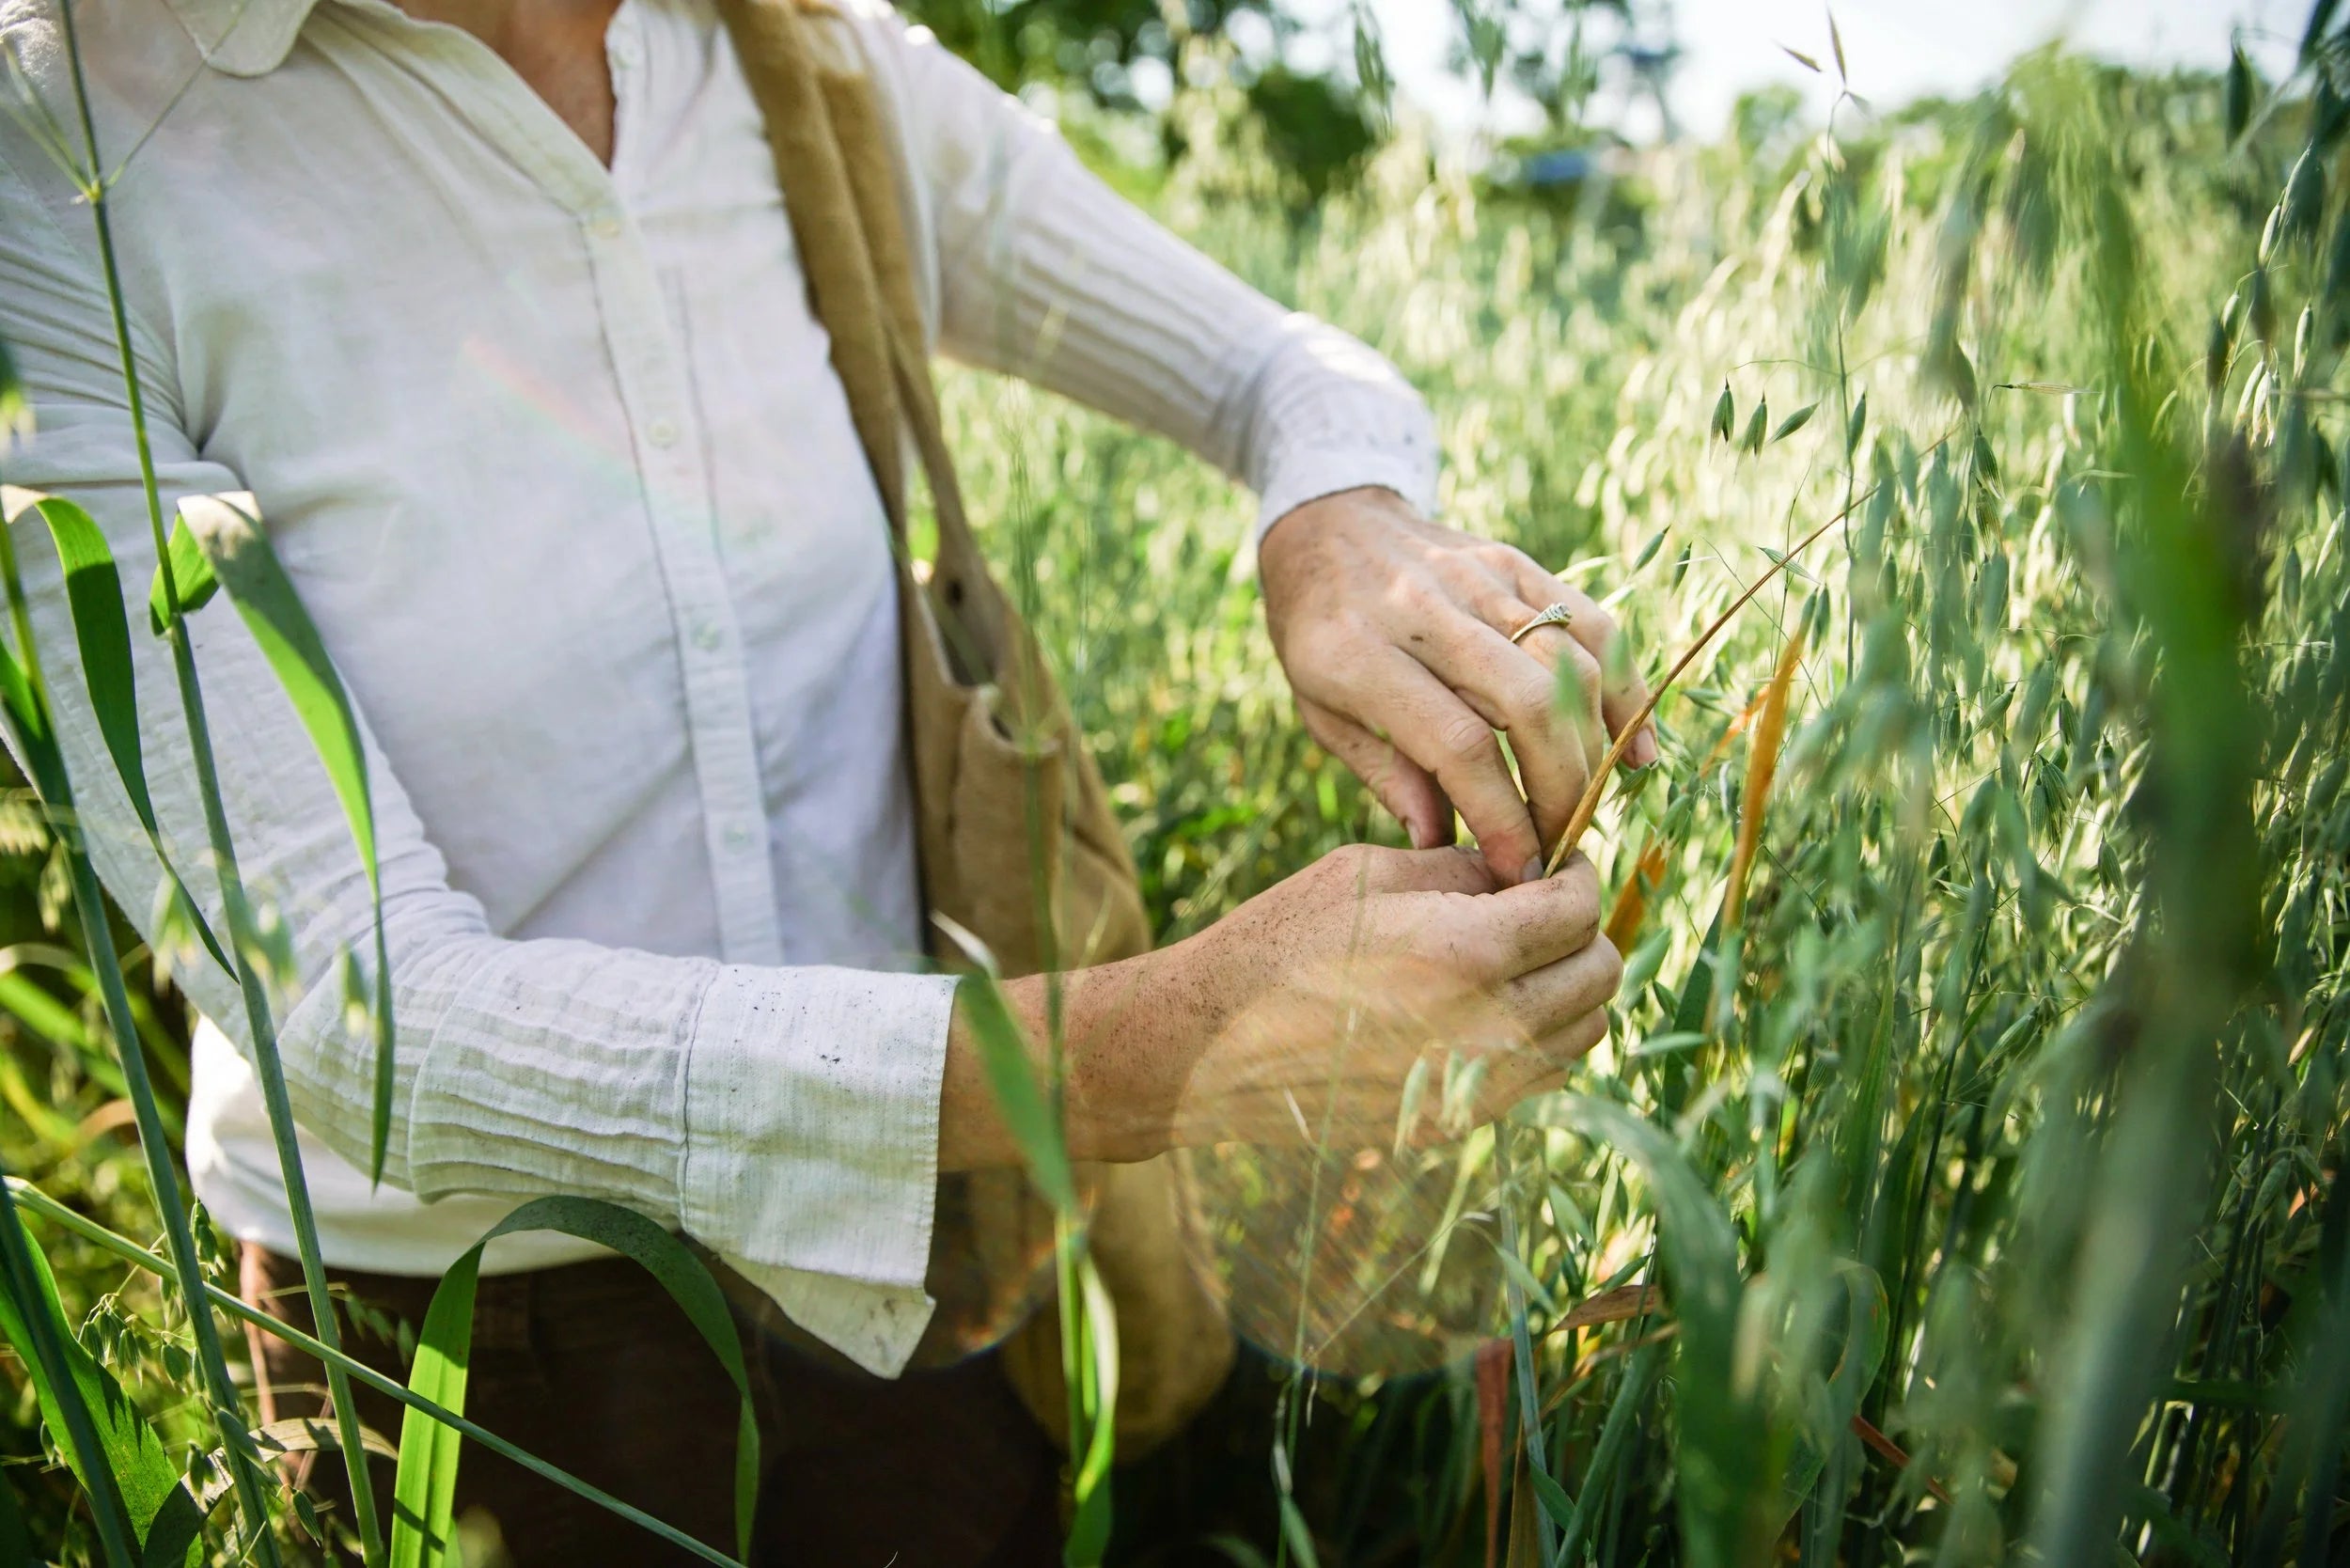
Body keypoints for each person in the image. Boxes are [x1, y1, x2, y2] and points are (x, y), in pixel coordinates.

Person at [0, 0, 1645, 1560]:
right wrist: (1173, 1042)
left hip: (923, 1290)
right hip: (461, 1365)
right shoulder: (58, 151)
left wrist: (1339, 520)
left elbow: (1273, 364)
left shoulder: (806, 65)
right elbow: (354, 1025)